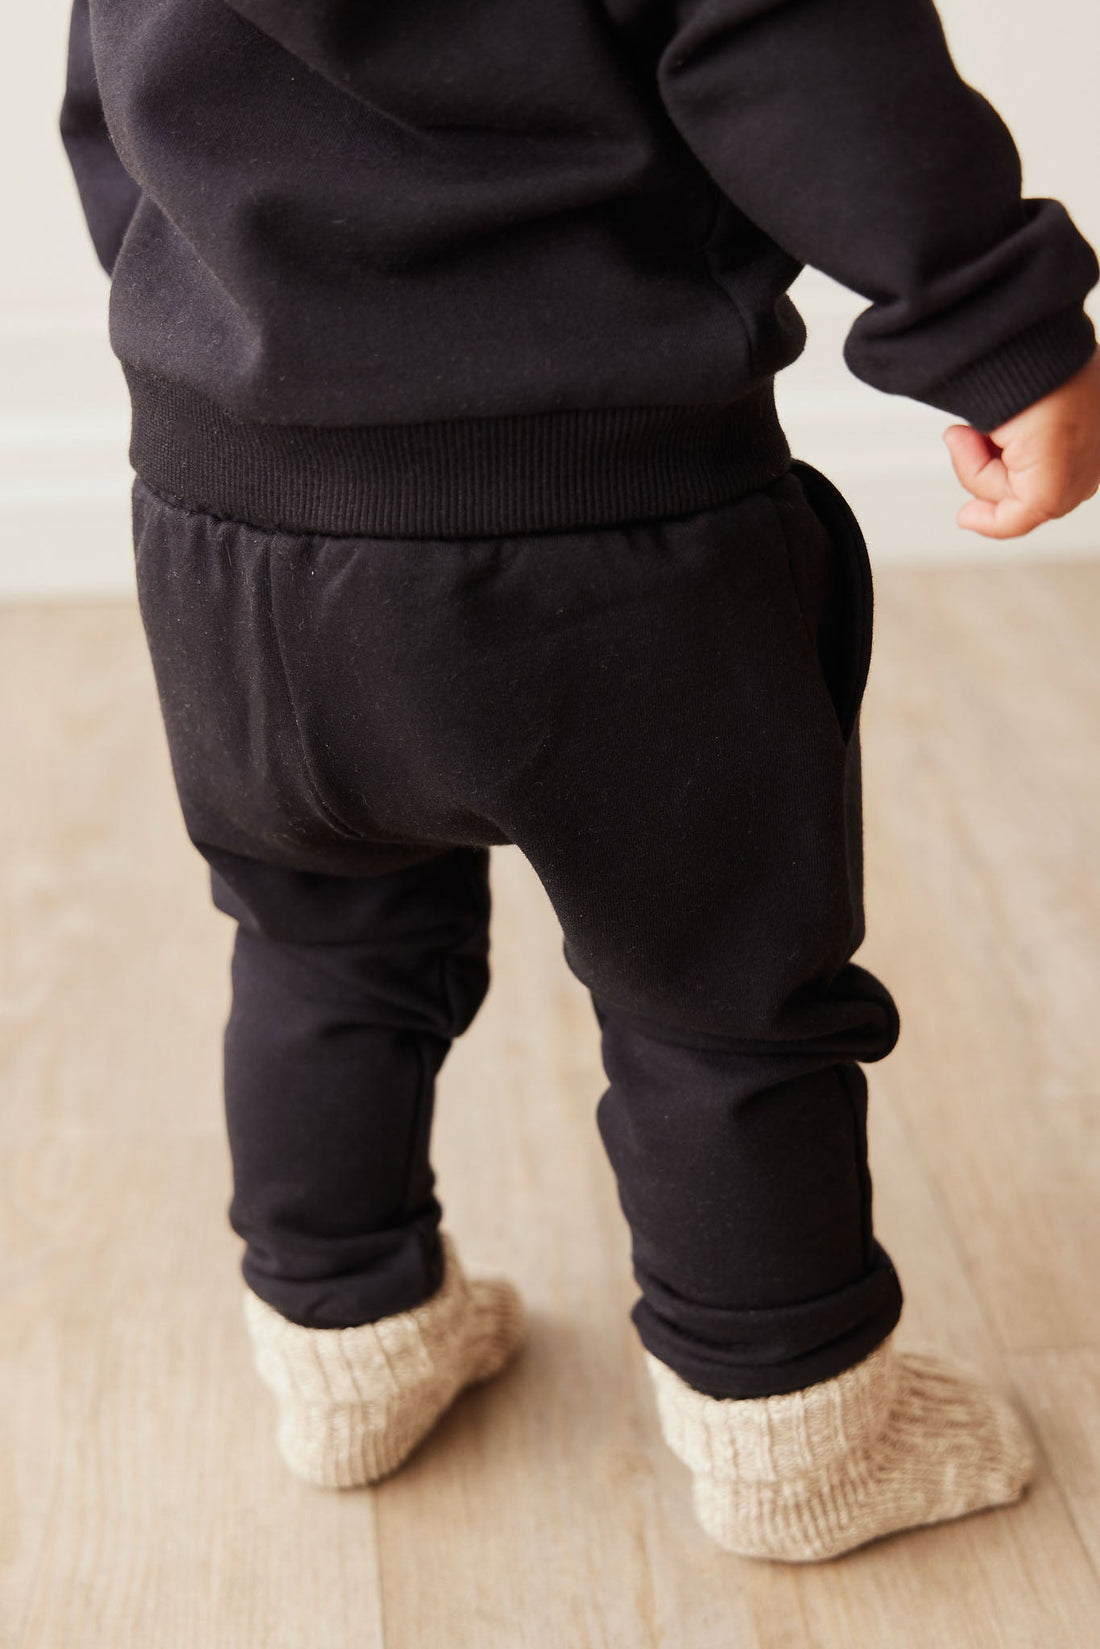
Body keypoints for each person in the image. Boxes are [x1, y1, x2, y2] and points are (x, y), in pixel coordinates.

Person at [59, 0, 1100, 1562]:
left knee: (317, 942)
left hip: (230, 515)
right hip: (607, 514)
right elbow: (793, 37)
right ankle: (800, 1437)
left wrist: (223, 335)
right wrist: (995, 326)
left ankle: (351, 1348)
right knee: (717, 993)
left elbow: (110, 86)